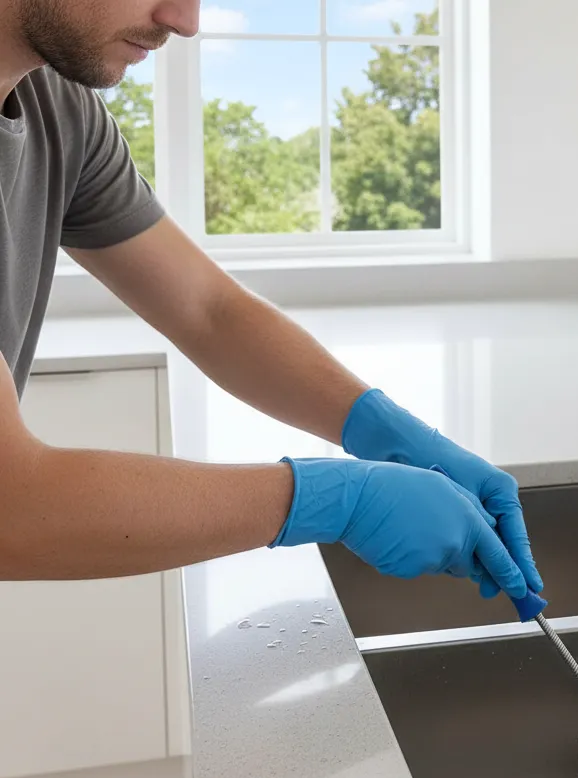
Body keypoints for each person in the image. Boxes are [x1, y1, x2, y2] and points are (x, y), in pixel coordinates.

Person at [0, 0, 542, 602]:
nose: (184, 21)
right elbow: (9, 503)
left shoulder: (57, 106)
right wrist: (332, 501)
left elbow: (209, 310)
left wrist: (382, 427)